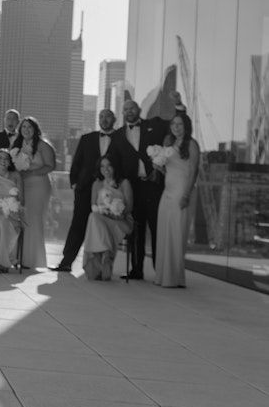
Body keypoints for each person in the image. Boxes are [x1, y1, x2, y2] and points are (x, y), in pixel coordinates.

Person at [112, 88, 185, 279]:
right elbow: (115, 162)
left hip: (154, 185)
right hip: (132, 188)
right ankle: (136, 269)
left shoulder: (155, 125)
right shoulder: (118, 136)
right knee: (136, 229)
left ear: (138, 111)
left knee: (156, 227)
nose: (129, 111)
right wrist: (120, 184)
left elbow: (177, 125)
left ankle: (160, 269)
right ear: (123, 114)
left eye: (132, 108)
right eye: (126, 109)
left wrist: (178, 105)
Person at [54, 108, 118, 272]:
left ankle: (102, 266)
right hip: (85, 190)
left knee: (104, 226)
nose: (104, 119)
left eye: (108, 117)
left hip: (110, 190)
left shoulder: (120, 139)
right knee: (78, 225)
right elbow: (76, 162)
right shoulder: (87, 139)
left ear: (114, 119)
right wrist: (75, 184)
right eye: (101, 116)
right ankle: (66, 261)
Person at [153, 112, 200, 287]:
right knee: (165, 232)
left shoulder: (192, 144)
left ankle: (174, 279)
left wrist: (186, 194)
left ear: (186, 126)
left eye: (180, 124)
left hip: (182, 191)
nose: (176, 127)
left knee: (177, 234)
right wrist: (158, 167)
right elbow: (169, 170)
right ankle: (163, 276)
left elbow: (193, 170)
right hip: (167, 190)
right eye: (174, 124)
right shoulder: (168, 143)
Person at [11, 116, 56, 269]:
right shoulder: (16, 145)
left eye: (29, 127)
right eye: (23, 127)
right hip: (20, 185)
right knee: (21, 218)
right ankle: (17, 257)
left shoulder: (43, 146)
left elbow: (50, 166)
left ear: (35, 129)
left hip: (38, 186)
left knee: (34, 220)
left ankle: (32, 260)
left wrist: (32, 172)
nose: (26, 130)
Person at [81, 155, 134, 281]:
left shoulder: (124, 183)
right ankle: (105, 252)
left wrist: (116, 211)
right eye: (102, 166)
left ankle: (103, 255)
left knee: (94, 220)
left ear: (115, 166)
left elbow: (129, 207)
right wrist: (104, 211)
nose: (106, 169)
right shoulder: (97, 184)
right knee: (93, 217)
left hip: (120, 221)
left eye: (109, 165)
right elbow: (93, 205)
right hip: (102, 218)